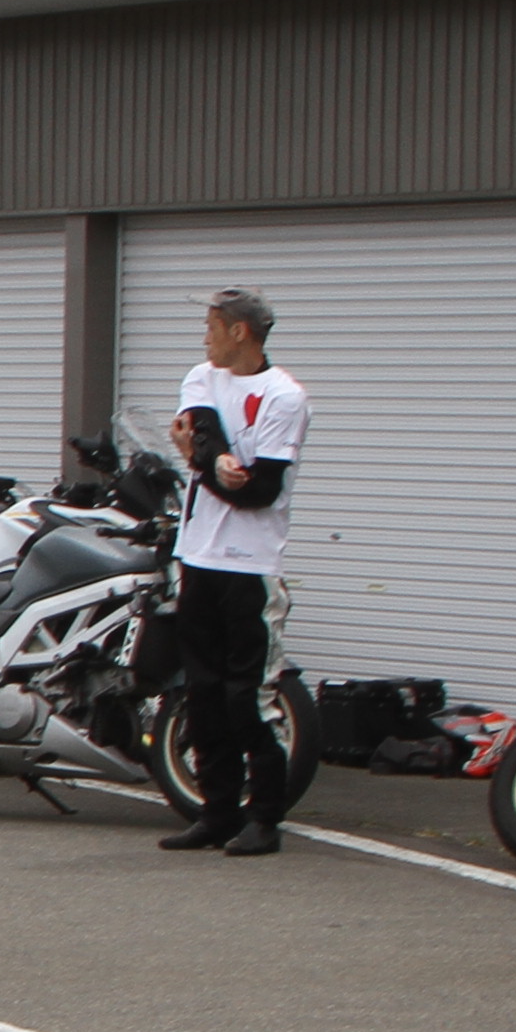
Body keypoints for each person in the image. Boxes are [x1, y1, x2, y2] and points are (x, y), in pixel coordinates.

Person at [162, 291, 308, 857]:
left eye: (212, 326)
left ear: (240, 331)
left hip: (251, 567)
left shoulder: (284, 396)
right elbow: (200, 430)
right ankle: (216, 812)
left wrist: (200, 462)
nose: (205, 336)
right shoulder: (202, 375)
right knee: (201, 694)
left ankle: (265, 818)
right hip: (197, 558)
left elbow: (261, 490)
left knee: (247, 698)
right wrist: (214, 458)